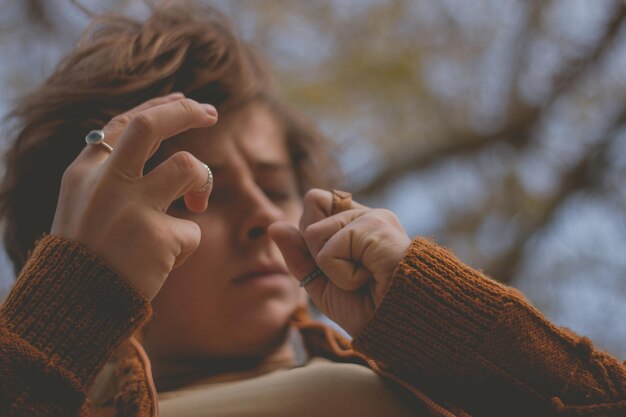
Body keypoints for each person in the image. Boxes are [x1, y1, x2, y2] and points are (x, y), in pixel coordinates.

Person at [0, 2, 624, 417]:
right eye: (199, 193)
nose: (264, 221)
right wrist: (66, 309)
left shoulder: (433, 385)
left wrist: (444, 322)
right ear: (82, 237)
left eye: (275, 186)